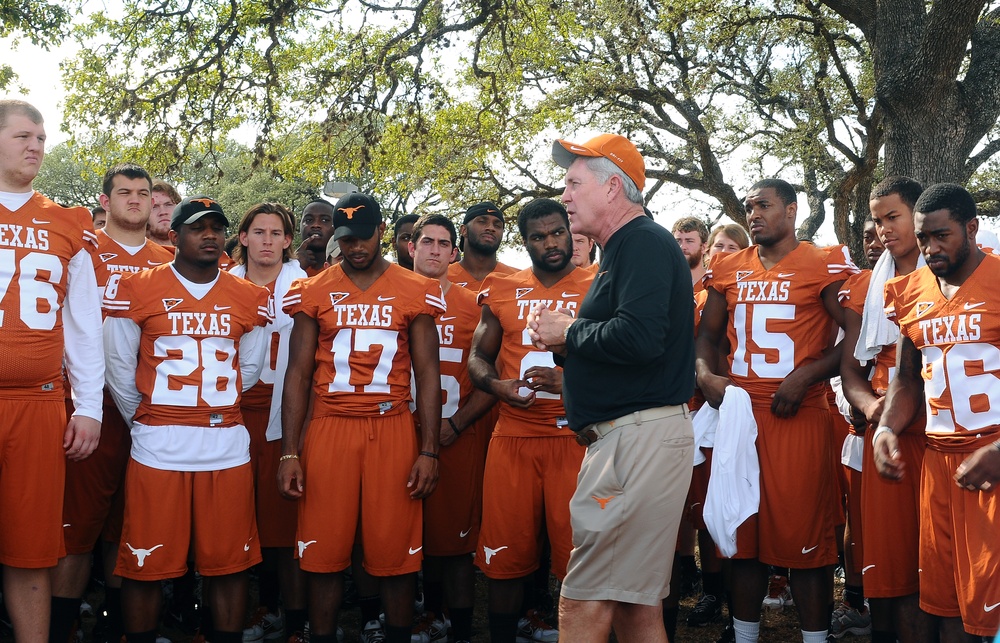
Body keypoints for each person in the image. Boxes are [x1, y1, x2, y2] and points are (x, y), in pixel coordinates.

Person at [525, 133, 694, 643]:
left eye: (575, 183)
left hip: (635, 443)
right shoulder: (624, 249)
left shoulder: (640, 241)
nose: (565, 194)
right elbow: (634, 339)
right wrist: (566, 340)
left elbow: (640, 337)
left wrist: (568, 331)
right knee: (633, 607)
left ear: (613, 188)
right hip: (634, 441)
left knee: (584, 598)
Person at [695, 178, 857, 643]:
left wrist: (807, 375)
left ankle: (814, 638)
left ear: (791, 210)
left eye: (764, 205)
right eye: (749, 207)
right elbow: (707, 336)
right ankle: (745, 635)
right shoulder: (727, 266)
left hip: (798, 412)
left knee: (807, 541)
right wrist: (705, 376)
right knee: (744, 540)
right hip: (742, 413)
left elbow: (854, 335)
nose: (754, 215)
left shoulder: (821, 261)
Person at [103, 195, 271, 643]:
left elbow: (249, 368)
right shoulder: (137, 286)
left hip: (224, 442)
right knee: (145, 562)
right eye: (199, 228)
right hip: (159, 442)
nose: (210, 235)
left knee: (230, 563)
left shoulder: (250, 295)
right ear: (174, 236)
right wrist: (143, 419)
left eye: (217, 227)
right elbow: (118, 366)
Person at [278, 192, 443, 643]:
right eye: (346, 238)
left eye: (363, 237)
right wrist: (289, 451)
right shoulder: (313, 289)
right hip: (330, 424)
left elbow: (429, 376)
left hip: (391, 425)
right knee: (323, 552)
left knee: (397, 555)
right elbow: (297, 374)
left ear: (382, 233)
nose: (354, 247)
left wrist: (429, 448)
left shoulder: (416, 289)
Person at [49, 163, 175, 643]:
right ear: (105, 200)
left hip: (149, 406)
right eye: (124, 192)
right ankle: (59, 626)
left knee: (132, 526)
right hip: (89, 404)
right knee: (76, 528)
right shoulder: (83, 247)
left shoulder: (168, 260)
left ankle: (123, 629)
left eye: (144, 193)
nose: (136, 201)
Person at [0, 99, 104, 643]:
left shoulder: (69, 222)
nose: (35, 145)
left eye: (41, 137)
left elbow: (84, 324)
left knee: (31, 546)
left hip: (39, 402)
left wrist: (88, 406)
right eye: (22, 135)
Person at [877, 183, 1000, 641]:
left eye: (942, 236)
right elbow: (908, 377)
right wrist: (887, 426)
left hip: (993, 463)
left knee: (990, 611)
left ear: (972, 228)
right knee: (946, 605)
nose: (931, 248)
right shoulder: (910, 291)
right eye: (924, 237)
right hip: (939, 463)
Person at [469, 197, 592, 643]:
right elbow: (478, 357)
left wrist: (572, 381)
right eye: (538, 237)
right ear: (524, 242)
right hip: (514, 436)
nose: (551, 243)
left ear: (570, 231)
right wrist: (497, 386)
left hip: (576, 436)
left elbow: (623, 355)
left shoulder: (598, 283)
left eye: (557, 232)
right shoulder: (501, 288)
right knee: (504, 559)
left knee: (581, 561)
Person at [839, 177, 929, 643]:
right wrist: (875, 410)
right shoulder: (868, 285)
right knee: (891, 565)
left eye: (893, 216)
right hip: (888, 431)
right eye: (877, 220)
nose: (884, 229)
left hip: (941, 432)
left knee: (935, 560)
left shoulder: (955, 274)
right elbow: (850, 369)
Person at [407, 213, 496, 643]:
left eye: (443, 243)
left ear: (454, 253)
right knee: (403, 534)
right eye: (427, 242)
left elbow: (491, 376)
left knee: (456, 543)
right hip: (398, 430)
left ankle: (459, 629)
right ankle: (421, 615)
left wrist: (457, 424)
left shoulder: (474, 304)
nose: (435, 250)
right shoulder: (390, 296)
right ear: (412, 247)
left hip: (456, 431)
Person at [229, 203, 309, 641]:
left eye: (275, 233)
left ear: (286, 241)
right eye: (257, 231)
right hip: (233, 412)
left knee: (285, 523)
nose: (266, 240)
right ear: (243, 237)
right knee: (239, 519)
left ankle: (294, 622)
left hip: (287, 413)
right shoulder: (220, 283)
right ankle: (253, 611)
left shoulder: (306, 286)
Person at [447, 201, 517, 290]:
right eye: (482, 222)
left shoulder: (518, 279)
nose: (491, 228)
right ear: (464, 230)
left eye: (497, 225)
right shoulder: (441, 279)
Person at [295, 199, 335, 277]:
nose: (316, 225)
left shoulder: (346, 267)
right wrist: (293, 266)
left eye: (324, 220)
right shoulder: (281, 266)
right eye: (309, 220)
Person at [673, 216, 710, 289]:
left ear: (704, 247)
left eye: (689, 241)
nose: (682, 247)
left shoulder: (714, 286)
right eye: (678, 241)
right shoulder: (666, 285)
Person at [148, 180, 180, 247]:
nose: (163, 212)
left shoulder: (196, 253)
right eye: (154, 207)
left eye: (168, 205)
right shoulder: (134, 252)